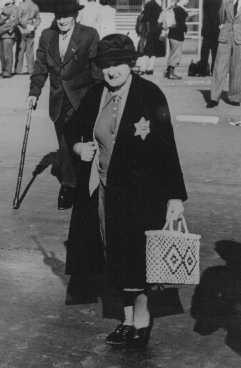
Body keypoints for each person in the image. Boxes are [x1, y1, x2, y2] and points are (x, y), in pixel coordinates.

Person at [64, 34, 187, 348]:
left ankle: (141, 321)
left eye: (118, 63)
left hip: (142, 196)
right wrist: (79, 147)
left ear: (130, 64)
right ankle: (127, 319)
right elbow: (72, 126)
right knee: (113, 257)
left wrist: (175, 197)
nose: (111, 71)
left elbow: (167, 148)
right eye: (106, 65)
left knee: (136, 259)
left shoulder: (150, 95)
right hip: (104, 193)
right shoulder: (96, 94)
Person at [28, 0, 100, 210]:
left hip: (83, 99)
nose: (62, 20)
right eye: (59, 16)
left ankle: (86, 184)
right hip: (59, 100)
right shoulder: (47, 36)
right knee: (65, 143)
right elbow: (40, 66)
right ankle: (69, 185)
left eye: (67, 15)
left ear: (75, 15)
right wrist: (34, 93)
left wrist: (99, 97)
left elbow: (96, 70)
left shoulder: (89, 35)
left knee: (86, 142)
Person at [207, 0, 241, 108]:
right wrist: (223, 28)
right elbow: (221, 18)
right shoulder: (226, 2)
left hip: (239, 39)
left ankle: (234, 97)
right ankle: (214, 98)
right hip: (225, 38)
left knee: (237, 69)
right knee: (219, 67)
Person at [137, 0, 165, 74]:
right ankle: (150, 68)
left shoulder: (148, 5)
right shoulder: (158, 7)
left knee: (145, 51)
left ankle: (143, 68)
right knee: (153, 51)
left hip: (148, 32)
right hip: (157, 31)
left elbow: (145, 18)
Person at [15, 0, 41, 75]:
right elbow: (38, 19)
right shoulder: (35, 6)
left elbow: (18, 19)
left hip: (21, 30)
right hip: (31, 30)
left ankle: (18, 70)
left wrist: (25, 26)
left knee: (20, 50)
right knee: (30, 51)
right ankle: (31, 69)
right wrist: (33, 26)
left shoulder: (21, 6)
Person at [164, 0, 189, 80]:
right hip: (177, 35)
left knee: (172, 53)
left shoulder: (174, 8)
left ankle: (168, 72)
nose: (187, 2)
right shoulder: (179, 9)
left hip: (172, 34)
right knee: (176, 55)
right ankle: (171, 73)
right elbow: (181, 23)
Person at [198, 0, 222, 77]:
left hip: (206, 29)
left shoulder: (206, 1)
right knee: (215, 52)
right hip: (214, 29)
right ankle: (213, 70)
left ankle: (203, 70)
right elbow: (215, 15)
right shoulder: (218, 2)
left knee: (204, 52)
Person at [0, 0, 19, 78]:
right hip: (2, 35)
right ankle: (4, 70)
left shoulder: (13, 8)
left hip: (7, 35)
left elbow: (13, 22)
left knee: (7, 54)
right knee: (2, 54)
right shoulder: (5, 7)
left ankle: (7, 72)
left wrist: (2, 29)